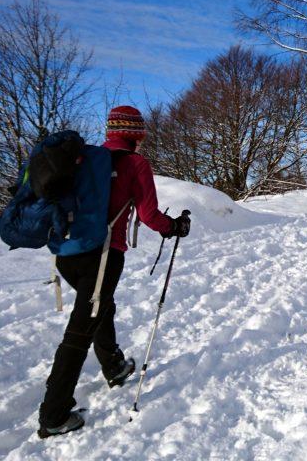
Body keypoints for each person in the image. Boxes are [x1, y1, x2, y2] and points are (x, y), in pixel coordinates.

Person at [37, 105, 190, 439]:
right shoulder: (134, 163)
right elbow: (150, 216)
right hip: (103, 255)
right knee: (79, 331)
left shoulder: (86, 158)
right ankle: (53, 415)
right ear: (136, 134)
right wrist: (174, 226)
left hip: (66, 255)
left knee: (99, 307)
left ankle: (114, 367)